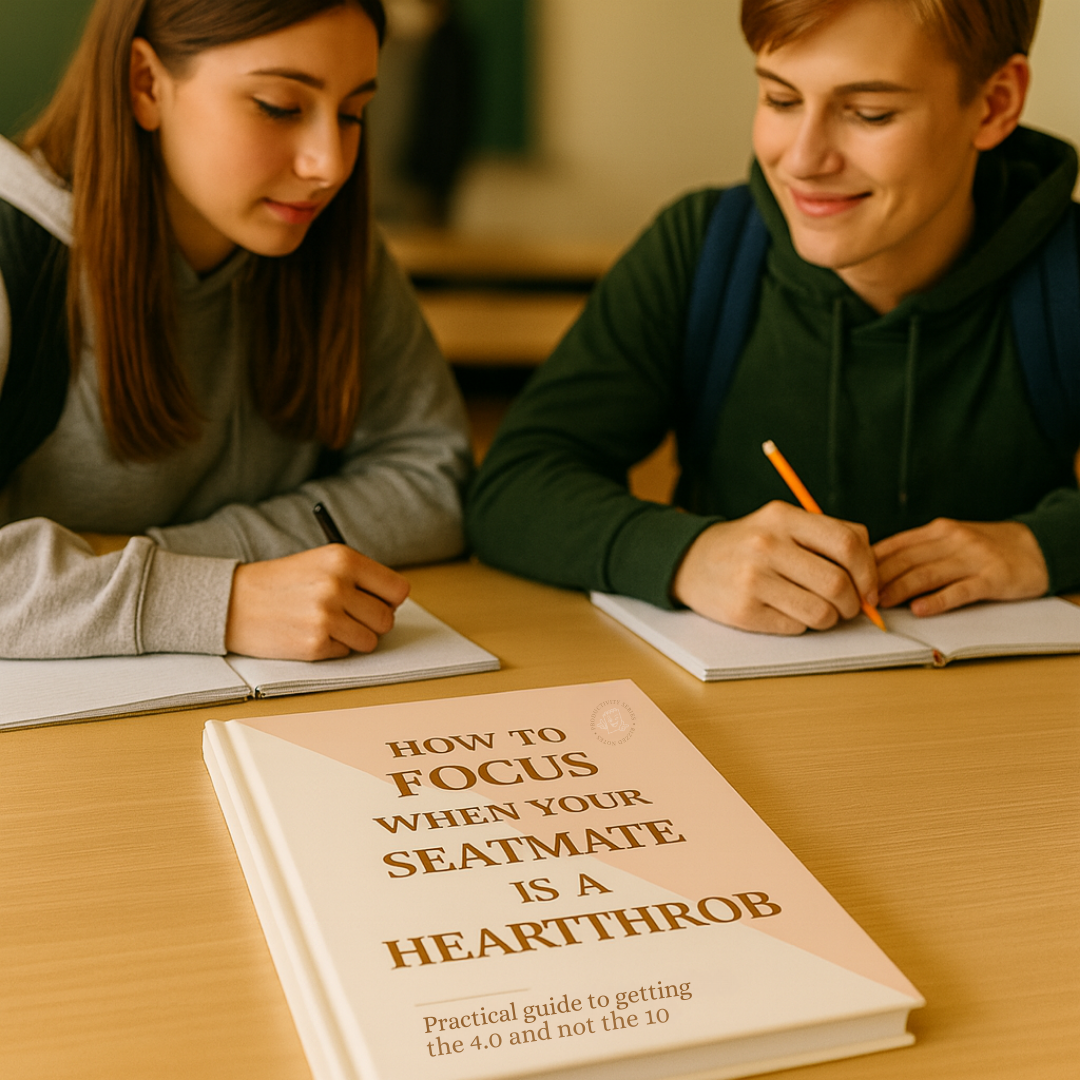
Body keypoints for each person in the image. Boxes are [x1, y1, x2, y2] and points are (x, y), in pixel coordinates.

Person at [467, 0, 1080, 635]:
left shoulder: (1066, 268)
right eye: (781, 101)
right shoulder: (705, 249)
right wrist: (685, 555)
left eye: (870, 113)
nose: (804, 159)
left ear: (996, 104)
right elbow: (513, 487)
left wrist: (1044, 547)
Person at [0, 0, 473, 661]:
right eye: (280, 106)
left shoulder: (334, 244)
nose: (329, 165)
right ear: (146, 85)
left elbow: (433, 482)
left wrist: (154, 563)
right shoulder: (13, 252)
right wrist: (218, 600)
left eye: (353, 112)